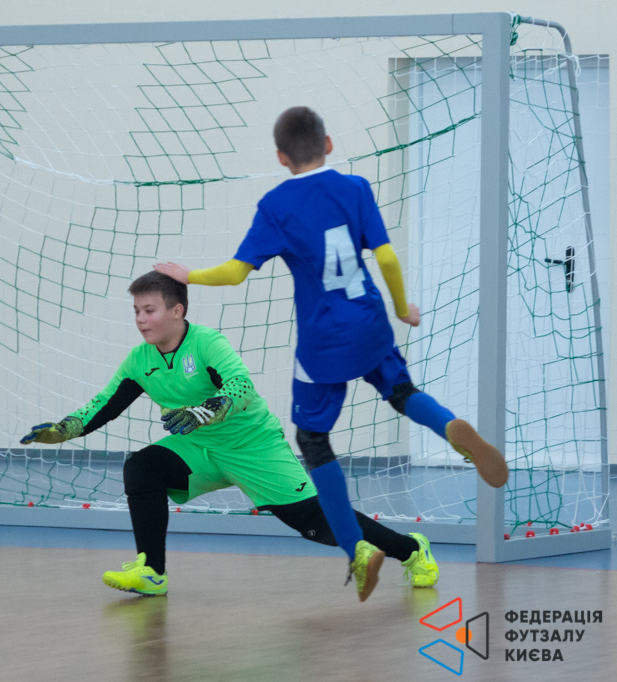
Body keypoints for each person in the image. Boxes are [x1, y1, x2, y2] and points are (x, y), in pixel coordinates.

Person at [154, 105, 508, 599]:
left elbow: (235, 273)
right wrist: (402, 308)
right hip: (370, 322)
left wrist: (189, 275)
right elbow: (386, 256)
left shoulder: (275, 205)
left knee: (314, 441)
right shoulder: (356, 187)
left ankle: (356, 548)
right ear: (328, 144)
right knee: (403, 392)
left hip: (322, 343)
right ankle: (450, 429)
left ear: (281, 156)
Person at [20, 271, 439, 601]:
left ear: (177, 311)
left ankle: (412, 549)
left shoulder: (207, 343)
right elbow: (104, 405)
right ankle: (151, 571)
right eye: (136, 311)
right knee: (142, 467)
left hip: (252, 445)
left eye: (149, 310)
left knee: (313, 523)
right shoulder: (139, 360)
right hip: (199, 448)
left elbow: (241, 387)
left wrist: (202, 411)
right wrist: (63, 430)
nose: (141, 320)